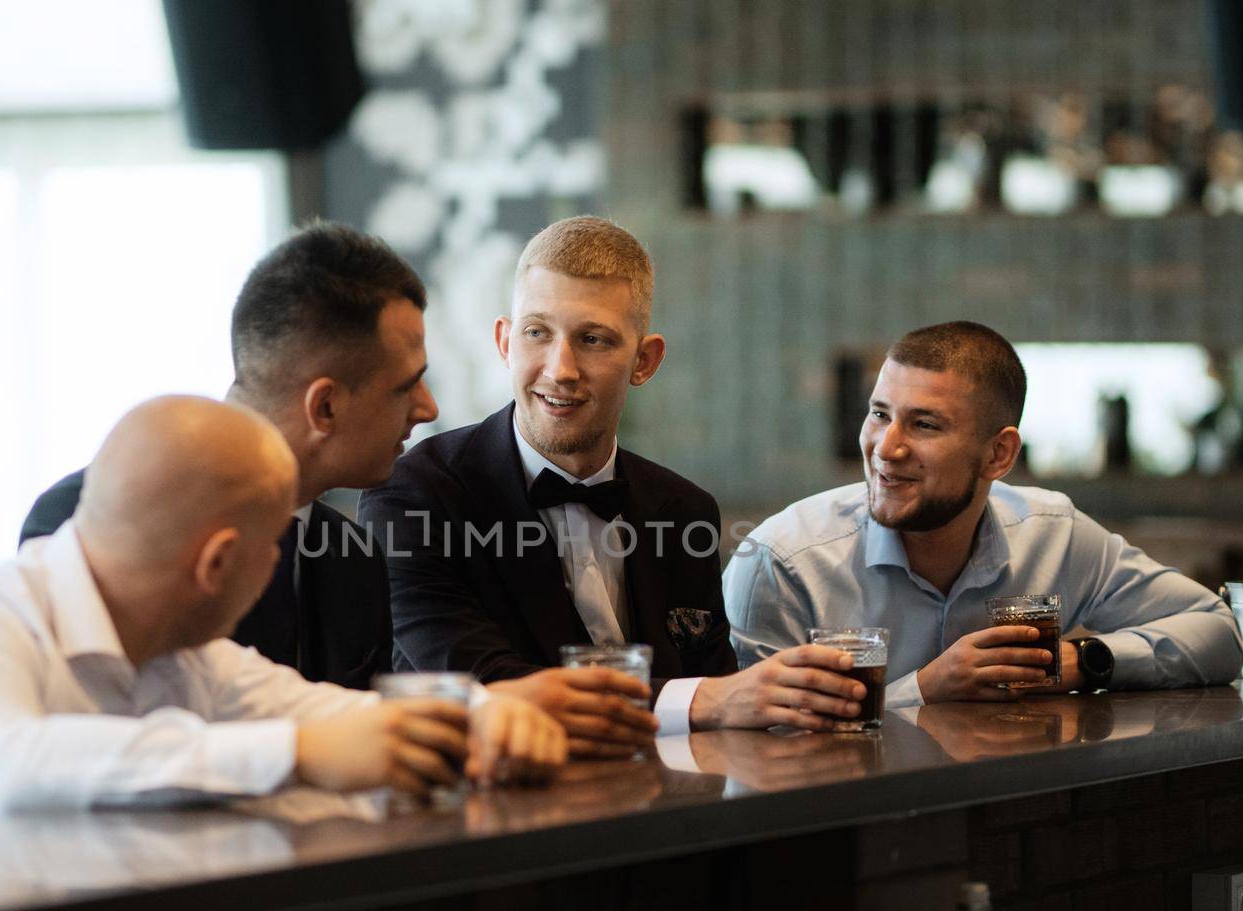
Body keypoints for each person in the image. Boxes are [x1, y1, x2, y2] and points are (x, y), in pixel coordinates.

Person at [0, 397, 565, 841]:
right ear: (218, 564)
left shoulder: (183, 654)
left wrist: (480, 719)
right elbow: (8, 771)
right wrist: (298, 753)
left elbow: (330, 713)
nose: (279, 568)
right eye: (274, 546)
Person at [360, 216, 868, 737]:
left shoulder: (684, 507)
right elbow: (489, 688)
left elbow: (723, 711)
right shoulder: (413, 497)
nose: (561, 368)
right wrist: (701, 700)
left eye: (594, 340)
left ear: (645, 361)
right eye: (538, 333)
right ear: (505, 342)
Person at [723, 320, 1243, 712]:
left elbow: (1219, 632)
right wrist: (926, 688)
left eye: (924, 425)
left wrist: (1080, 662)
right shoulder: (782, 562)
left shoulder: (1053, 534)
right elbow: (757, 738)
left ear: (999, 454)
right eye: (880, 414)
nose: (887, 447)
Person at [20, 222, 438, 691]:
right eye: (407, 386)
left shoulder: (355, 561)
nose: (428, 409)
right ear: (325, 407)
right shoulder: (84, 519)